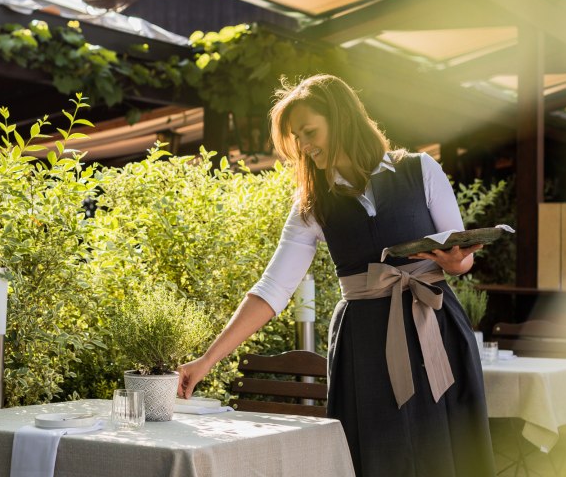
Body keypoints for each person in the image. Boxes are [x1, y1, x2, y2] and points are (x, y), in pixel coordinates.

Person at [178, 74, 495, 477]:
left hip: (435, 328)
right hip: (365, 348)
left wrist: (456, 263)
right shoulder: (311, 204)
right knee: (375, 458)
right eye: (297, 138)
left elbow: (460, 254)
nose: (304, 146)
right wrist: (206, 361)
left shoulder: (420, 170)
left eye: (309, 131)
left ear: (342, 118)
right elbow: (274, 288)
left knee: (447, 455)